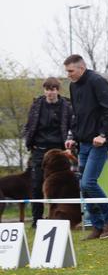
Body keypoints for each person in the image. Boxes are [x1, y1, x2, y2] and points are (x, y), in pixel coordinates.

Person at [63, 54, 108, 240]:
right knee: (83, 186)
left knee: (88, 182)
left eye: (70, 71)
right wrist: (72, 136)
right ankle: (97, 226)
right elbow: (76, 115)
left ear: (81, 68)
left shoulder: (97, 81)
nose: (68, 75)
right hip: (83, 142)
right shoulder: (73, 86)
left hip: (100, 141)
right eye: (67, 71)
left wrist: (103, 135)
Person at [22, 77, 73, 227]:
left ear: (57, 90)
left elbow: (71, 127)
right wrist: (27, 139)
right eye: (47, 89)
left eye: (52, 89)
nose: (49, 92)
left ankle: (60, 217)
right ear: (44, 90)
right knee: (37, 185)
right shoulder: (37, 105)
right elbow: (29, 125)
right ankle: (37, 220)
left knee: (60, 186)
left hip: (59, 152)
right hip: (39, 151)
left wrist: (69, 145)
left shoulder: (66, 106)